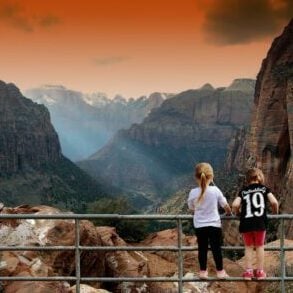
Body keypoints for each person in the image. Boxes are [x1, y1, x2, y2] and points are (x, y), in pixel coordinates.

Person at [232, 167, 279, 280]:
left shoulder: (243, 191)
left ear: (247, 179)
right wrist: (275, 212)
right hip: (260, 223)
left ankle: (248, 272)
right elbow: (274, 202)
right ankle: (260, 272)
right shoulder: (264, 189)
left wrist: (238, 213)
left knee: (248, 247)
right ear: (259, 177)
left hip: (246, 223)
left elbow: (234, 205)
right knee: (260, 246)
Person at [187, 162, 232, 279]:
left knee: (202, 249)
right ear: (211, 177)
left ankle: (203, 272)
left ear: (196, 177)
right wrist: (229, 213)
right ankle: (220, 272)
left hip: (200, 226)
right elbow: (225, 205)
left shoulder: (193, 192)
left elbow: (191, 208)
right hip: (214, 225)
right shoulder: (215, 190)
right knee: (216, 249)